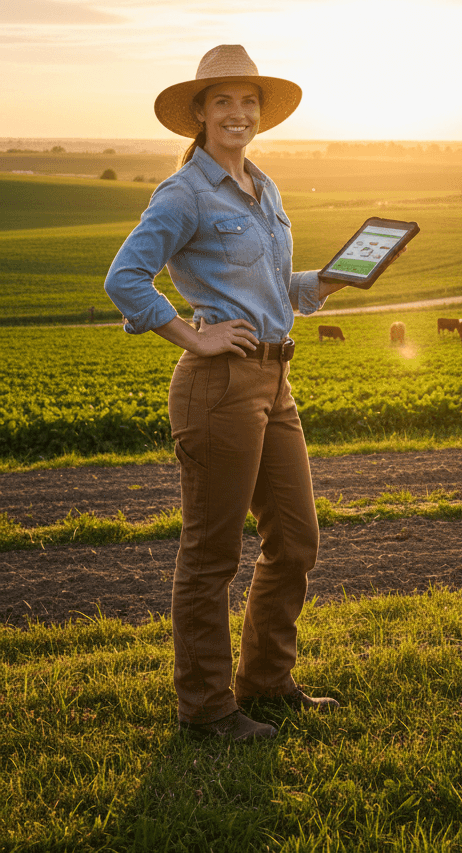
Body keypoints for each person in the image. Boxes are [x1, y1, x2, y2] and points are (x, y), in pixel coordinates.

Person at [105, 44, 345, 744]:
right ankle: (206, 711)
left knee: (296, 540)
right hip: (219, 386)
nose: (238, 113)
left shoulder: (263, 187)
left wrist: (319, 284)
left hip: (277, 379)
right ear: (200, 115)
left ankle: (267, 682)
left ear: (259, 114)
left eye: (249, 102)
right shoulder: (185, 194)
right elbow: (126, 279)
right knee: (213, 554)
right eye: (223, 102)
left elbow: (274, 291)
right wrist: (194, 336)